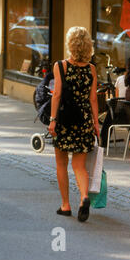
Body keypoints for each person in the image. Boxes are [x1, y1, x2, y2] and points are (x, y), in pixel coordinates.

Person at [48, 26, 99, 223]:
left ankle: (65, 205)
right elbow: (93, 99)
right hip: (84, 120)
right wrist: (96, 123)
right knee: (79, 166)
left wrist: (52, 120)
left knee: (61, 164)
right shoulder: (91, 69)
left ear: (70, 44)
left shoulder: (60, 66)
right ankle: (84, 197)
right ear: (88, 46)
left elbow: (57, 94)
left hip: (64, 121)